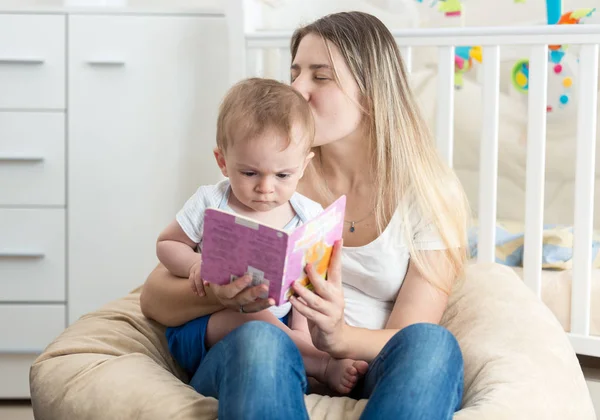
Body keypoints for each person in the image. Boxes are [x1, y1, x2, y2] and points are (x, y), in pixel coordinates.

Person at [141, 10, 471, 420]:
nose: (296, 88)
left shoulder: (429, 194)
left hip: (359, 364)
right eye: (294, 72)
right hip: (259, 356)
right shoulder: (274, 174)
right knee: (262, 339)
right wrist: (216, 290)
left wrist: (337, 338)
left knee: (434, 345)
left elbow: (406, 335)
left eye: (320, 76)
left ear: (370, 93)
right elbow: (154, 296)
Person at [155, 77, 368, 396]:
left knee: (300, 306)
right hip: (208, 324)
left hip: (282, 321)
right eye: (250, 173)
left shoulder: (306, 213)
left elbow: (306, 284)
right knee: (247, 319)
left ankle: (304, 358)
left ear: (303, 166)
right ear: (223, 162)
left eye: (283, 175)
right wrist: (195, 264)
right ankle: (321, 365)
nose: (265, 187)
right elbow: (167, 244)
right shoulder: (211, 202)